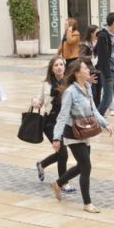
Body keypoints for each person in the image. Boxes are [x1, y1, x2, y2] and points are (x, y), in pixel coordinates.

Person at [51, 60, 113, 213]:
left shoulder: (87, 87)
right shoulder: (70, 92)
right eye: (85, 68)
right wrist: (56, 138)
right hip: (73, 133)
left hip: (85, 131)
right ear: (77, 73)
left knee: (81, 166)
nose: (88, 70)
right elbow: (62, 116)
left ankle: (58, 183)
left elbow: (93, 109)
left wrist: (105, 123)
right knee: (86, 166)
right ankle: (87, 203)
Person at [32, 56, 73, 192]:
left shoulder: (69, 82)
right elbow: (39, 99)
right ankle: (63, 183)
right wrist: (35, 101)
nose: (59, 67)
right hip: (50, 123)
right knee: (63, 153)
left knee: (61, 153)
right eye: (56, 65)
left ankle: (42, 164)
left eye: (61, 64)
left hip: (64, 123)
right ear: (52, 68)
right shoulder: (46, 84)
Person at [79, 25, 101, 107]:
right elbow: (80, 57)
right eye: (97, 32)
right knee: (93, 93)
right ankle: (91, 110)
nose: (99, 34)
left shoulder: (98, 42)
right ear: (92, 33)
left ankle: (98, 111)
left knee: (98, 92)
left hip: (99, 70)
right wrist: (91, 58)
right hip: (90, 71)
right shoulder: (85, 44)